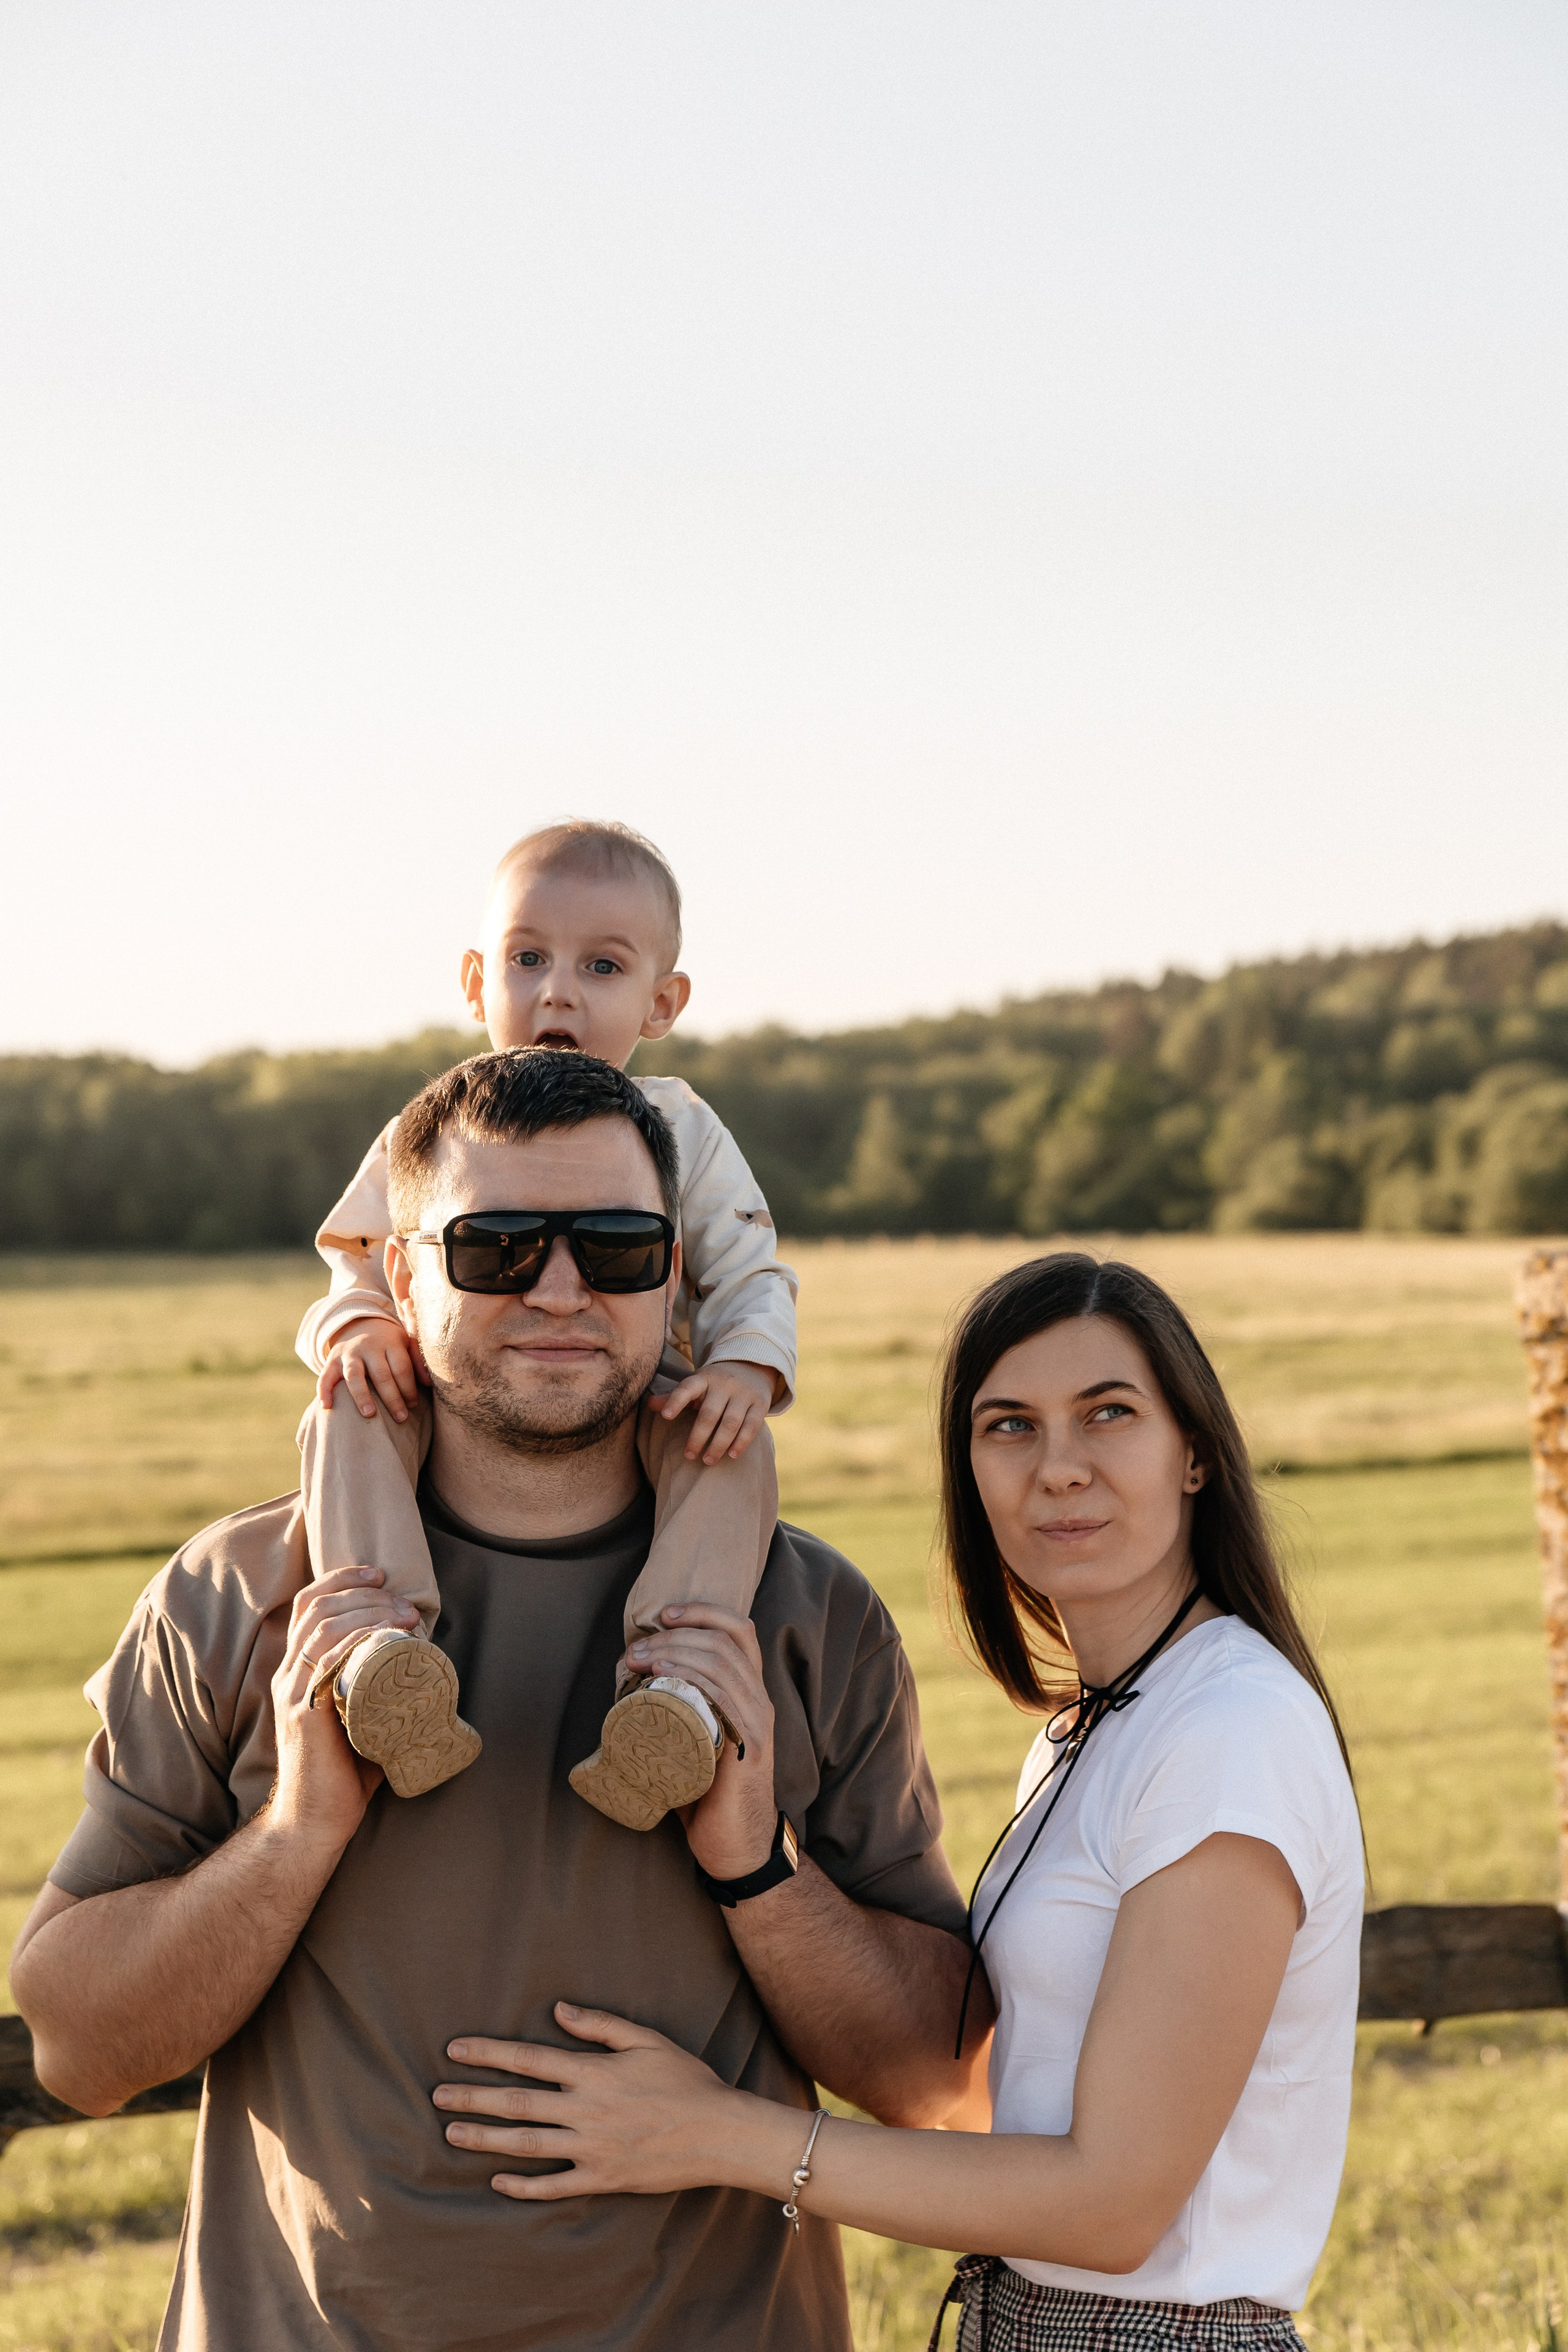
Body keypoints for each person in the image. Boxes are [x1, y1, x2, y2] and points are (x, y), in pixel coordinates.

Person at [10, 1050, 988, 2352]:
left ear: (677, 1275)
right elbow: (78, 2049)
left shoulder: (806, 1615)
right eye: (497, 1247)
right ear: (396, 1277)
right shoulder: (236, 1595)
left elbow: (937, 2076)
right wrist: (297, 1834)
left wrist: (757, 1868)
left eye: (619, 1247)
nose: (562, 1289)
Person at [426, 1254, 1365, 2352]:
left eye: (1108, 1415)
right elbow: (999, 2105)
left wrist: (715, 2134)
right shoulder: (1094, 1732)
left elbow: (1113, 2205)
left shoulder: (1230, 1731)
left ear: (1195, 1454)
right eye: (1007, 1426)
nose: (1058, 1468)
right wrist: (754, 1855)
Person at [295, 817, 799, 1829]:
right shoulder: (436, 1128)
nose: (558, 990)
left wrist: (744, 1368)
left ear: (663, 1002)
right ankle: (380, 1655)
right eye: (529, 958)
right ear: (478, 982)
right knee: (344, 1408)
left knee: (729, 1451)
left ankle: (677, 1690)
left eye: (601, 966)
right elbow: (358, 1257)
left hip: (639, 1390)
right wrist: (356, 1330)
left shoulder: (683, 1131)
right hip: (450, 1382)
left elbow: (749, 1266)